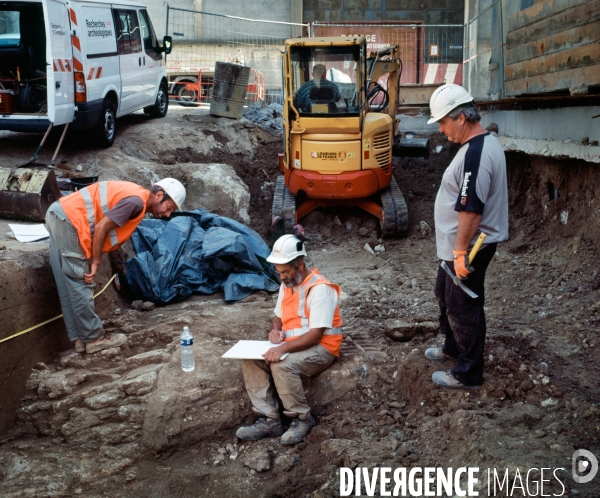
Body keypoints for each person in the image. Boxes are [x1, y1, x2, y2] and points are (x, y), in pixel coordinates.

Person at [425, 84, 508, 389]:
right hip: (457, 247)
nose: (442, 130)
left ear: (461, 117)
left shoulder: (476, 153)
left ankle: (468, 373)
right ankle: (451, 348)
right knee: (445, 296)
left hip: (469, 248)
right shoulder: (476, 147)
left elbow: (471, 209)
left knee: (463, 307)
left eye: (444, 122)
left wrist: (460, 253)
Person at [45, 178, 186, 354]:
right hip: (70, 219)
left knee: (67, 281)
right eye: (169, 208)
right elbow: (102, 227)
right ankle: (94, 338)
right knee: (80, 280)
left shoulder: (136, 194)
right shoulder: (135, 202)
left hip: (60, 214)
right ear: (159, 195)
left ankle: (80, 339)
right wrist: (95, 262)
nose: (168, 214)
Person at [236, 234, 342, 445]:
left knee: (282, 366)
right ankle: (270, 419)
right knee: (250, 360)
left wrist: (282, 348)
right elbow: (279, 316)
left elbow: (315, 336)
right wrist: (275, 330)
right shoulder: (288, 285)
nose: (281, 277)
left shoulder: (320, 289)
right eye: (279, 272)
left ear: (300, 264)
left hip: (323, 348)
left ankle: (302, 418)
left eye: (285, 271)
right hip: (297, 344)